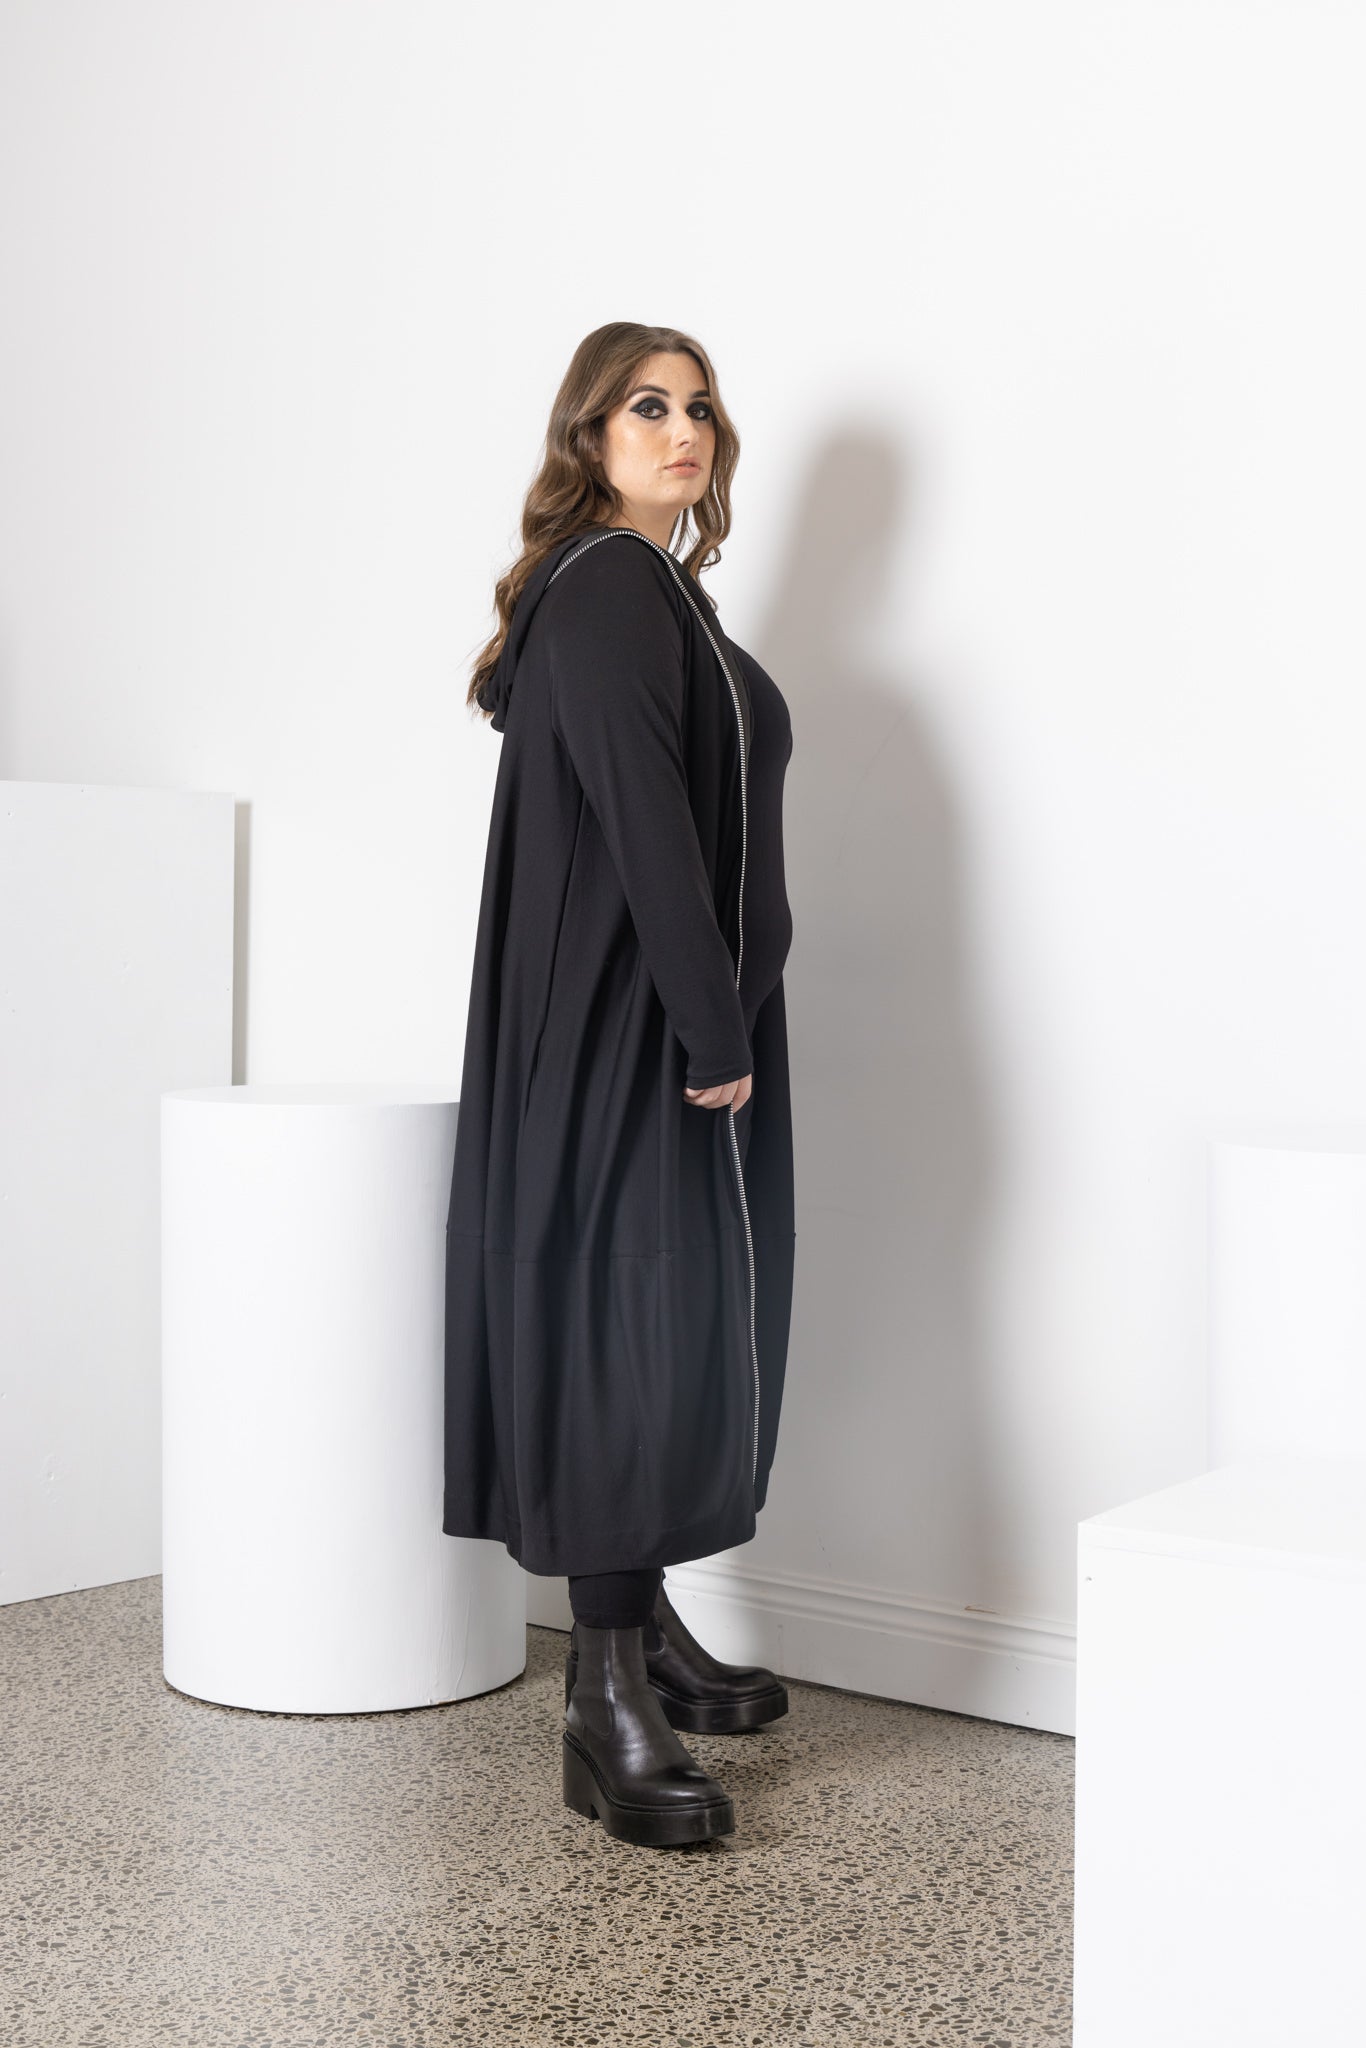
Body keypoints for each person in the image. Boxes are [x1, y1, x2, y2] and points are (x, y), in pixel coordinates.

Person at [443, 321, 796, 1847]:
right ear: (587, 436)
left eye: (699, 406)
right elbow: (647, 819)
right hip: (631, 1024)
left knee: (665, 1317)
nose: (682, 429)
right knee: (619, 1322)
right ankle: (600, 1701)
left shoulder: (658, 592)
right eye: (646, 406)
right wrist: (709, 1026)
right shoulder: (602, 587)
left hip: (668, 1010)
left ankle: (641, 1628)